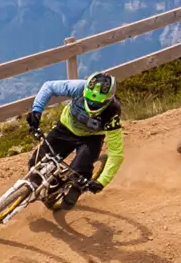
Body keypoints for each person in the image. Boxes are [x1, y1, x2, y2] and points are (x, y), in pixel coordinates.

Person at [24, 71, 125, 209]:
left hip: (91, 139)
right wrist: (36, 112)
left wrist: (102, 181)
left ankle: (76, 188)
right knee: (36, 162)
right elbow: (49, 87)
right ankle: (47, 187)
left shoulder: (113, 114)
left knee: (80, 168)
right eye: (89, 100)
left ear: (108, 100)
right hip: (65, 128)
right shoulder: (79, 87)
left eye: (97, 104)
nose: (92, 105)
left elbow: (116, 154)